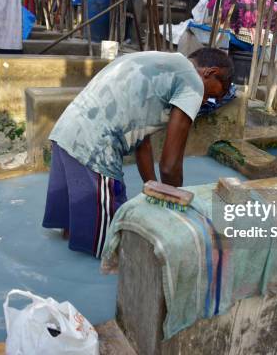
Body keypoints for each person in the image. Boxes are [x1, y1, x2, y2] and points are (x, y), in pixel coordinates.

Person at [43, 48, 234, 258]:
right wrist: (176, 213)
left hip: (65, 137)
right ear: (210, 72)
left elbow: (143, 144)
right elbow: (170, 166)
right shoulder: (193, 82)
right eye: (214, 95)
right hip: (94, 151)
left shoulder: (159, 63)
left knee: (72, 235)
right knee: (113, 251)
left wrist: (153, 192)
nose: (207, 102)